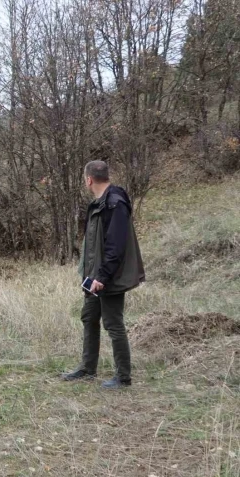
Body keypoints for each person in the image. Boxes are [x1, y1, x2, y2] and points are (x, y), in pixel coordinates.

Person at [62, 160, 145, 389]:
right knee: (89, 317)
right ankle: (87, 368)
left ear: (89, 179)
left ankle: (123, 377)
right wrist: (90, 276)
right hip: (94, 276)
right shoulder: (99, 203)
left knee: (113, 323)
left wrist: (102, 277)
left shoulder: (114, 204)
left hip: (109, 278)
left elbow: (115, 247)